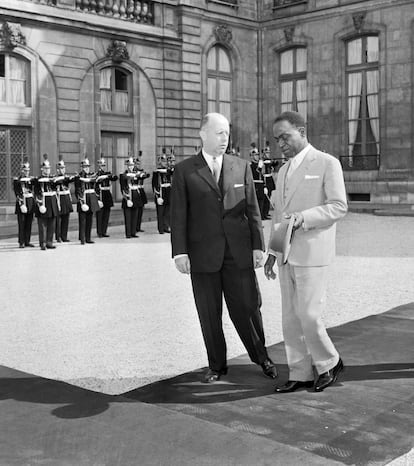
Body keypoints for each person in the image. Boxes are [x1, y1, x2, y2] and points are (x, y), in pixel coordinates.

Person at [171, 112, 277, 383]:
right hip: (202, 255)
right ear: (203, 134)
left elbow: (253, 210)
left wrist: (258, 246)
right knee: (209, 312)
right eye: (219, 133)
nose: (224, 138)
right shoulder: (185, 171)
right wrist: (180, 252)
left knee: (248, 307)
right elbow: (178, 215)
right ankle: (216, 365)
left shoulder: (241, 166)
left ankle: (261, 356)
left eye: (227, 133)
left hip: (237, 252)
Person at [264, 110, 348, 393]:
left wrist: (304, 217)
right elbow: (279, 216)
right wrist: (273, 253)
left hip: (313, 253)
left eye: (285, 137)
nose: (281, 144)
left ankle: (329, 362)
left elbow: (338, 206)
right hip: (287, 254)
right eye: (277, 140)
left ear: (302, 131)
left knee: (309, 315)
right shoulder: (283, 171)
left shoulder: (327, 163)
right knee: (290, 318)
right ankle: (300, 373)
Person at [33, 154, 59, 250]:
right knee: (43, 225)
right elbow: (36, 193)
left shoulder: (52, 178)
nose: (47, 170)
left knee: (52, 224)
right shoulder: (38, 180)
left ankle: (49, 242)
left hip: (52, 202)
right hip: (43, 202)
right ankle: (42, 243)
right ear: (42, 169)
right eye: (45, 169)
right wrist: (40, 204)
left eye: (48, 168)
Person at [74, 157, 100, 245]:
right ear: (82, 167)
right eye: (85, 167)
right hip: (84, 199)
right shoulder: (78, 177)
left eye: (88, 167)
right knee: (82, 220)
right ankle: (82, 238)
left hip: (91, 198)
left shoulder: (92, 175)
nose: (87, 168)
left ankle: (88, 237)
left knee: (90, 219)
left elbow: (96, 184)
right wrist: (81, 202)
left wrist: (97, 199)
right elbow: (77, 190)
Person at [13, 157, 35, 248]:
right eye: (25, 170)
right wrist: (21, 204)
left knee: (29, 223)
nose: (27, 172)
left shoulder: (30, 179)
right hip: (21, 203)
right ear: (22, 171)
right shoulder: (17, 180)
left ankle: (27, 241)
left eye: (28, 170)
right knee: (22, 224)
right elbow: (17, 192)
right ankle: (21, 242)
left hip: (30, 202)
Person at [95, 157, 118, 238]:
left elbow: (115, 178)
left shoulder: (107, 173)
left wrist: (109, 175)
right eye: (101, 165)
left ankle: (104, 231)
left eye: (104, 165)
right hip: (101, 194)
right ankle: (99, 232)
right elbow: (96, 186)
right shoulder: (96, 174)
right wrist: (97, 199)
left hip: (107, 193)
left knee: (106, 214)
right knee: (100, 214)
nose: (103, 166)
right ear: (98, 165)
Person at [152, 148, 173, 234]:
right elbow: (155, 185)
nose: (165, 163)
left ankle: (166, 226)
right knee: (160, 212)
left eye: (166, 162)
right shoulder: (157, 172)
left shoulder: (168, 171)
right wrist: (157, 196)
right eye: (163, 162)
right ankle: (161, 228)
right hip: (161, 193)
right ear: (160, 162)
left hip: (168, 192)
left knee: (167, 212)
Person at [54, 156, 74, 243]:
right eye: (60, 168)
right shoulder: (55, 178)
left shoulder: (66, 177)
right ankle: (58, 236)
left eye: (63, 168)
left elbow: (70, 181)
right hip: (59, 199)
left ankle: (64, 236)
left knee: (66, 218)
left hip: (66, 198)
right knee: (58, 219)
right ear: (57, 170)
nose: (62, 170)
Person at [119, 157, 140, 239]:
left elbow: (143, 175)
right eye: (129, 165)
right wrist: (127, 198)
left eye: (132, 165)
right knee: (128, 216)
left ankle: (133, 232)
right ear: (127, 166)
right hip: (128, 195)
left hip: (135, 195)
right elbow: (123, 187)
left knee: (135, 215)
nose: (130, 167)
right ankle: (128, 233)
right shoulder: (123, 174)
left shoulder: (136, 173)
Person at [133, 152, 150, 233]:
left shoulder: (141, 171)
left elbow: (146, 175)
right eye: (136, 164)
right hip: (136, 190)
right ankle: (134, 227)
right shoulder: (133, 172)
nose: (137, 165)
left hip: (141, 190)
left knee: (141, 210)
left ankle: (138, 226)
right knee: (136, 210)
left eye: (138, 164)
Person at [249, 143, 266, 220]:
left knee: (261, 204)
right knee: (256, 206)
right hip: (255, 186)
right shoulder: (250, 165)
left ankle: (260, 220)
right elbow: (255, 174)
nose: (257, 156)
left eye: (257, 155)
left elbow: (262, 176)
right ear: (252, 156)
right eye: (255, 155)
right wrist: (259, 167)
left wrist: (265, 186)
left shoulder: (260, 164)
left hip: (261, 186)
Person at [262, 141, 277, 219]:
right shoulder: (263, 161)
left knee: (269, 196)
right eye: (267, 152)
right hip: (266, 179)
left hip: (270, 179)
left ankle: (266, 212)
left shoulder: (269, 160)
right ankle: (263, 213)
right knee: (265, 198)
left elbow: (274, 165)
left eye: (269, 152)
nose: (268, 154)